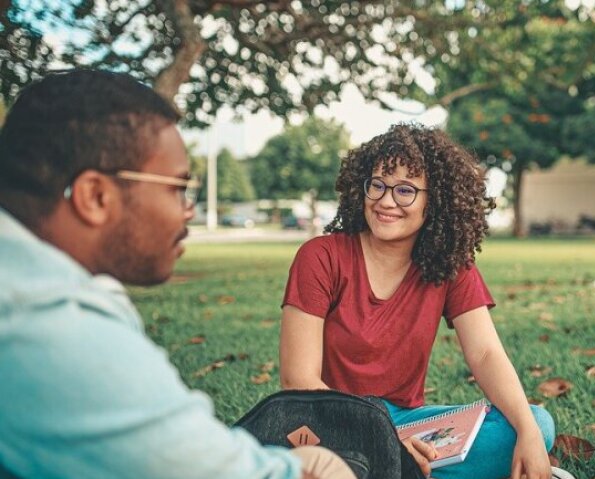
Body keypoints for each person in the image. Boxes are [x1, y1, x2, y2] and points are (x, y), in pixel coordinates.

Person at [0, 69, 355, 479]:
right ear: (95, 196)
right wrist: (306, 468)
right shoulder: (47, 326)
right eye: (177, 188)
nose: (188, 210)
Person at [279, 124, 575, 479]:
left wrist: (527, 433)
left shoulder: (449, 264)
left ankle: (393, 468)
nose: (386, 200)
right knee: (323, 459)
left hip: (405, 423)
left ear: (434, 200)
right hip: (329, 422)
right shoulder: (321, 256)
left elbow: (485, 354)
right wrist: (383, 441)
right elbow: (298, 381)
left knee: (536, 422)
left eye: (405, 190)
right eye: (377, 184)